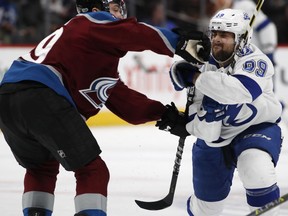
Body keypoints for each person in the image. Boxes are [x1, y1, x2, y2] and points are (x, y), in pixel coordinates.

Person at [0, 0, 211, 216]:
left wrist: (166, 116)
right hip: (40, 93)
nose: (120, 17)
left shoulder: (86, 51)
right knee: (93, 171)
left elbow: (125, 102)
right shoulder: (91, 22)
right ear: (95, 10)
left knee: (42, 167)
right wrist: (178, 42)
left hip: (7, 98)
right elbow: (133, 33)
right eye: (115, 10)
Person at [156, 8, 283, 215]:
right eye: (214, 33)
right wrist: (190, 125)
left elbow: (240, 91)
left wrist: (196, 78)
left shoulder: (255, 61)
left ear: (241, 39)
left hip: (256, 128)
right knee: (206, 210)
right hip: (215, 139)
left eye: (224, 35)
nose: (216, 39)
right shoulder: (201, 63)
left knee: (256, 169)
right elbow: (209, 134)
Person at [207, 0, 278, 65]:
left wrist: (269, 52)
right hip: (233, 61)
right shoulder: (219, 14)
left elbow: (267, 27)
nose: (218, 2)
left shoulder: (245, 6)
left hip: (252, 57)